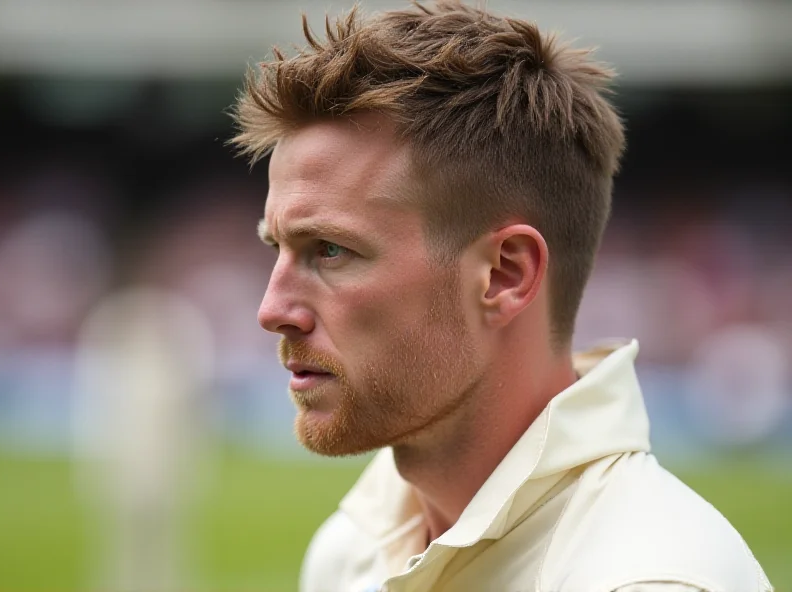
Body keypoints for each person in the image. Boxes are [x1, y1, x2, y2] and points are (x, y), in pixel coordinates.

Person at [230, 2, 773, 591]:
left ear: (504, 275)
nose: (272, 310)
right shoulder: (353, 549)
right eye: (276, 248)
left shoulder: (648, 578)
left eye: (330, 250)